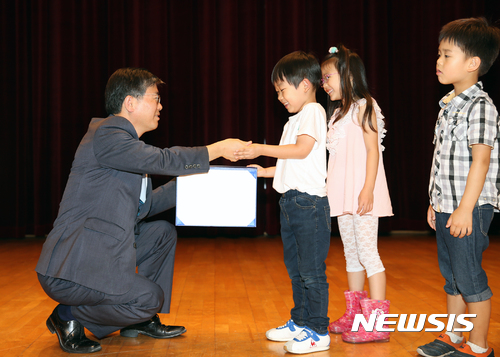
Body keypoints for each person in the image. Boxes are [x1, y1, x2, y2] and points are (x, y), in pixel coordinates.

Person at [35, 67, 249, 354]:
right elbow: (163, 160)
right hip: (72, 269)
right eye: (156, 98)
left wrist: (201, 181)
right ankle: (67, 316)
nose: (161, 105)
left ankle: (136, 321)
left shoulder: (128, 147)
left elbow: (145, 208)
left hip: (100, 255)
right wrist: (216, 149)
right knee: (149, 299)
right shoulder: (107, 133)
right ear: (130, 103)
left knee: (161, 232)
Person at [234, 51, 331, 354]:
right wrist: (262, 171)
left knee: (311, 271)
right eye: (276, 92)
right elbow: (293, 162)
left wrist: (258, 150)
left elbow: (300, 151)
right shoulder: (296, 119)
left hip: (309, 205)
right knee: (296, 268)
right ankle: (300, 321)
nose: (279, 97)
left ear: (304, 84)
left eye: (282, 90)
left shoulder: (313, 111)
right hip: (291, 203)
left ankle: (318, 330)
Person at [417, 18, 500, 357]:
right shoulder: (448, 105)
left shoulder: (480, 106)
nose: (438, 61)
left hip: (471, 206)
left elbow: (480, 161)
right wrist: (435, 202)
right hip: (448, 204)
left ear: (472, 63)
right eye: (438, 54)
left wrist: (466, 208)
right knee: (451, 277)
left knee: (469, 278)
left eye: (446, 55)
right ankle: (454, 336)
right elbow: (442, 160)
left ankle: (479, 346)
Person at [320, 45, 393, 343]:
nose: (324, 84)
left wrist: (367, 189)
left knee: (368, 254)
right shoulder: (337, 113)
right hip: (342, 194)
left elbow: (372, 151)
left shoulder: (366, 106)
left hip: (363, 194)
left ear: (348, 76)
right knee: (351, 255)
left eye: (328, 77)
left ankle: (377, 323)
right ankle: (355, 314)